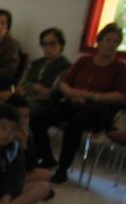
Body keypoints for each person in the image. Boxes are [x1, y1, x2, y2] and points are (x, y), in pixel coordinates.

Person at [30, 23, 126, 184]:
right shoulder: (84, 61)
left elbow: (122, 96)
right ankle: (46, 157)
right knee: (40, 117)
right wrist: (71, 93)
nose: (111, 45)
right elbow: (64, 82)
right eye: (108, 40)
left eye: (115, 42)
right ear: (99, 41)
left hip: (97, 110)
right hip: (73, 102)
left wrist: (94, 96)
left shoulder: (120, 68)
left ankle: (63, 169)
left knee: (74, 125)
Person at [14, 27, 71, 114]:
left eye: (52, 44)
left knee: (16, 107)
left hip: (43, 105)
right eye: (44, 44)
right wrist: (34, 87)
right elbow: (21, 83)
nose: (48, 48)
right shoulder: (35, 63)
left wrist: (29, 89)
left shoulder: (65, 67)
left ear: (61, 45)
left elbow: (50, 93)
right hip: (23, 98)